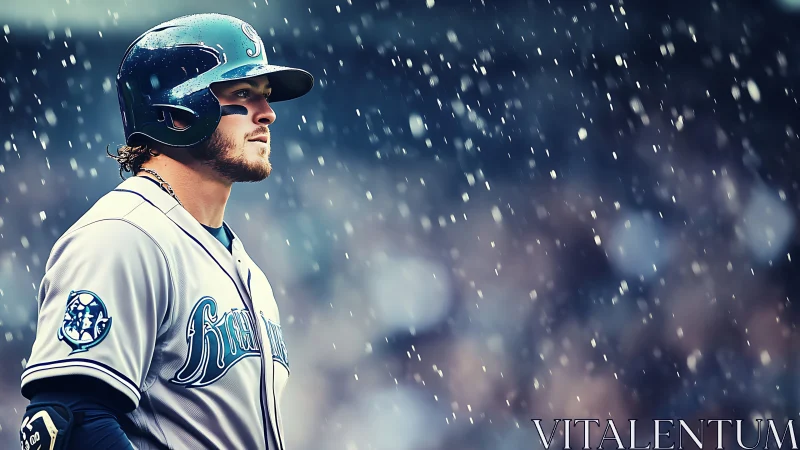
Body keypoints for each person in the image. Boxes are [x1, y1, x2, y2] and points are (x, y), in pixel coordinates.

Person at [19, 13, 313, 450]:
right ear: (177, 113)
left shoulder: (244, 265)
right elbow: (69, 421)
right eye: (243, 94)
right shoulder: (123, 236)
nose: (267, 114)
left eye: (265, 97)